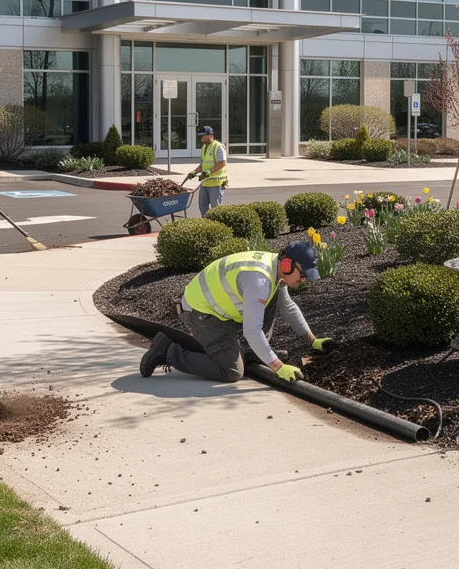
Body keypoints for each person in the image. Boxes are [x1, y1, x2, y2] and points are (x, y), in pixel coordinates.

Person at [140, 241, 336, 383]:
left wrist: (312, 340)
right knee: (231, 372)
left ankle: (252, 352)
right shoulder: (259, 281)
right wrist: (279, 367)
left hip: (221, 310)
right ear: (287, 264)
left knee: (276, 298)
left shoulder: (275, 270)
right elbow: (252, 331)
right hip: (200, 312)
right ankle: (168, 351)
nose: (303, 281)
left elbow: (288, 307)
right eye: (303, 275)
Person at [188, 125, 227, 216]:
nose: (201, 138)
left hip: (216, 183)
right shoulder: (203, 148)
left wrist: (209, 172)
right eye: (200, 136)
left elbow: (222, 163)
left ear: (211, 135)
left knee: (216, 208)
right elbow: (203, 164)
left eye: (203, 136)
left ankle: (217, 226)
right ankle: (207, 225)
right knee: (203, 206)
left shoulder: (218, 147)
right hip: (205, 182)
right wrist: (194, 172)